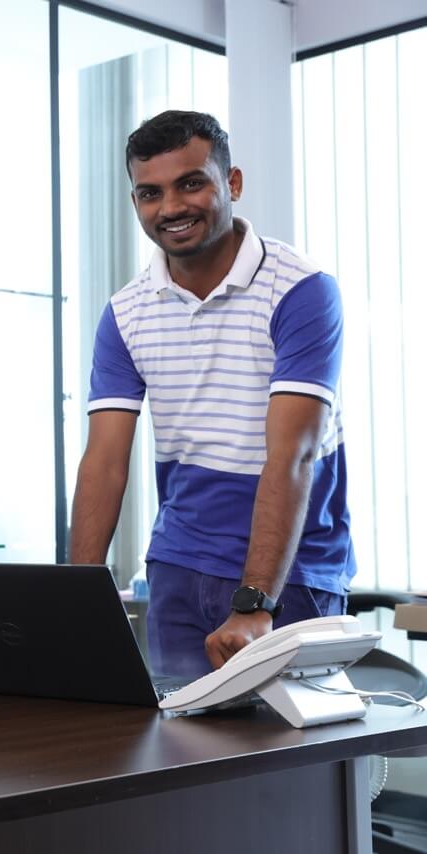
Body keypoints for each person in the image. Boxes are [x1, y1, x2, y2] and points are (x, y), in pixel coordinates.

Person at [69, 110, 354, 678]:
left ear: (233, 184)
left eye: (191, 183)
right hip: (177, 568)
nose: (171, 207)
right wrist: (75, 598)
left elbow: (292, 454)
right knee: (179, 756)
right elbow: (103, 462)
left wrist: (254, 602)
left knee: (287, 765)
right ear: (135, 203)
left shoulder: (301, 290)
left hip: (289, 578)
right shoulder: (125, 312)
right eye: (151, 193)